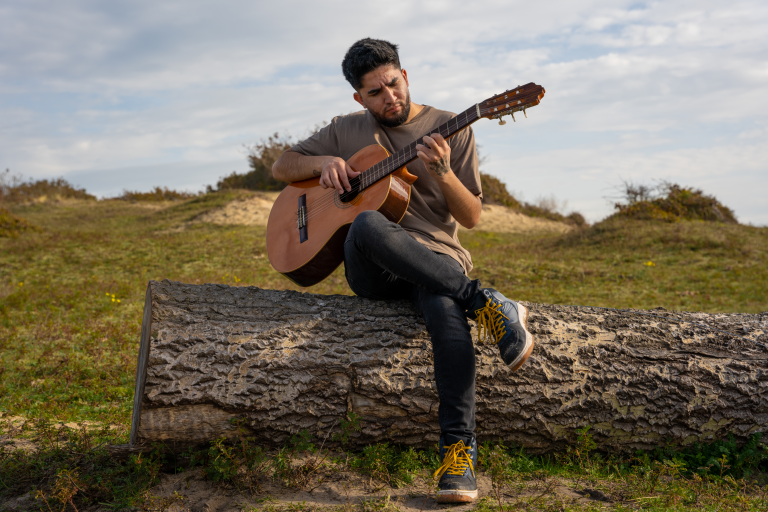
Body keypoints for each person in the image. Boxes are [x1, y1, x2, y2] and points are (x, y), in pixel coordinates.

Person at [272, 38, 534, 503]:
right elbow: (282, 165)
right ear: (359, 98)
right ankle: (485, 302)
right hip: (371, 265)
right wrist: (324, 162)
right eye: (375, 92)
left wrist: (443, 172)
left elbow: (471, 217)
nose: (388, 97)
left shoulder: (451, 128)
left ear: (405, 76)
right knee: (368, 222)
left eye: (393, 84)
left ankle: (458, 456)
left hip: (437, 259)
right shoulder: (344, 129)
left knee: (443, 308)